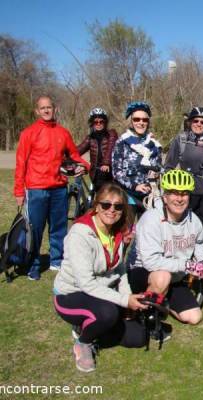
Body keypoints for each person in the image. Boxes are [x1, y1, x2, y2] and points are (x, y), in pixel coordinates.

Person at [53, 183, 148, 373]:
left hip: (101, 292)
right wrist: (124, 300)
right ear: (96, 206)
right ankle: (83, 342)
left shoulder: (116, 232)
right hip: (71, 294)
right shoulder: (81, 234)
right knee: (108, 313)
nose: (112, 210)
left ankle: (94, 326)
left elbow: (120, 269)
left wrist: (127, 298)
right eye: (106, 205)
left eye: (118, 206)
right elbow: (86, 284)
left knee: (138, 337)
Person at [14, 95, 90, 280]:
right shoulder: (28, 133)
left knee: (58, 227)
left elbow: (74, 155)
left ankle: (57, 260)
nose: (47, 110)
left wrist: (85, 166)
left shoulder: (63, 133)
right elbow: (21, 163)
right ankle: (34, 264)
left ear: (54, 109)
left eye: (49, 107)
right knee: (35, 229)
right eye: (43, 108)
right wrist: (18, 191)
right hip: (36, 189)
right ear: (37, 111)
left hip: (59, 189)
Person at [128, 169, 203, 325]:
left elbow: (199, 243)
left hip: (174, 276)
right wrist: (187, 265)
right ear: (165, 196)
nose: (179, 199)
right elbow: (151, 262)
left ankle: (162, 301)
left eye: (184, 193)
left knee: (194, 317)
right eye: (173, 193)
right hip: (143, 273)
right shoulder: (151, 219)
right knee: (162, 277)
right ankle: (143, 315)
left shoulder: (194, 220)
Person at [164, 107, 203, 262]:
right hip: (190, 188)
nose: (199, 124)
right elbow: (170, 165)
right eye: (195, 120)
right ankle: (194, 256)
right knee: (192, 223)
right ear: (190, 121)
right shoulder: (181, 140)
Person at [112, 101, 162, 217]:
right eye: (137, 119)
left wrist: (156, 173)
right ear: (131, 121)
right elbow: (116, 172)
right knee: (126, 232)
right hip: (127, 195)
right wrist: (135, 186)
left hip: (149, 196)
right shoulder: (122, 142)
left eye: (145, 120)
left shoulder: (154, 144)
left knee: (147, 233)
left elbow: (158, 167)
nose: (141, 123)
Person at [77, 107, 118, 192]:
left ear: (105, 122)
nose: (98, 124)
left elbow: (110, 148)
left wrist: (106, 163)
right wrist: (63, 158)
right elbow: (78, 150)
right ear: (92, 123)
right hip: (96, 173)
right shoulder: (90, 138)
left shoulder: (111, 134)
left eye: (101, 121)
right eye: (95, 122)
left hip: (109, 173)